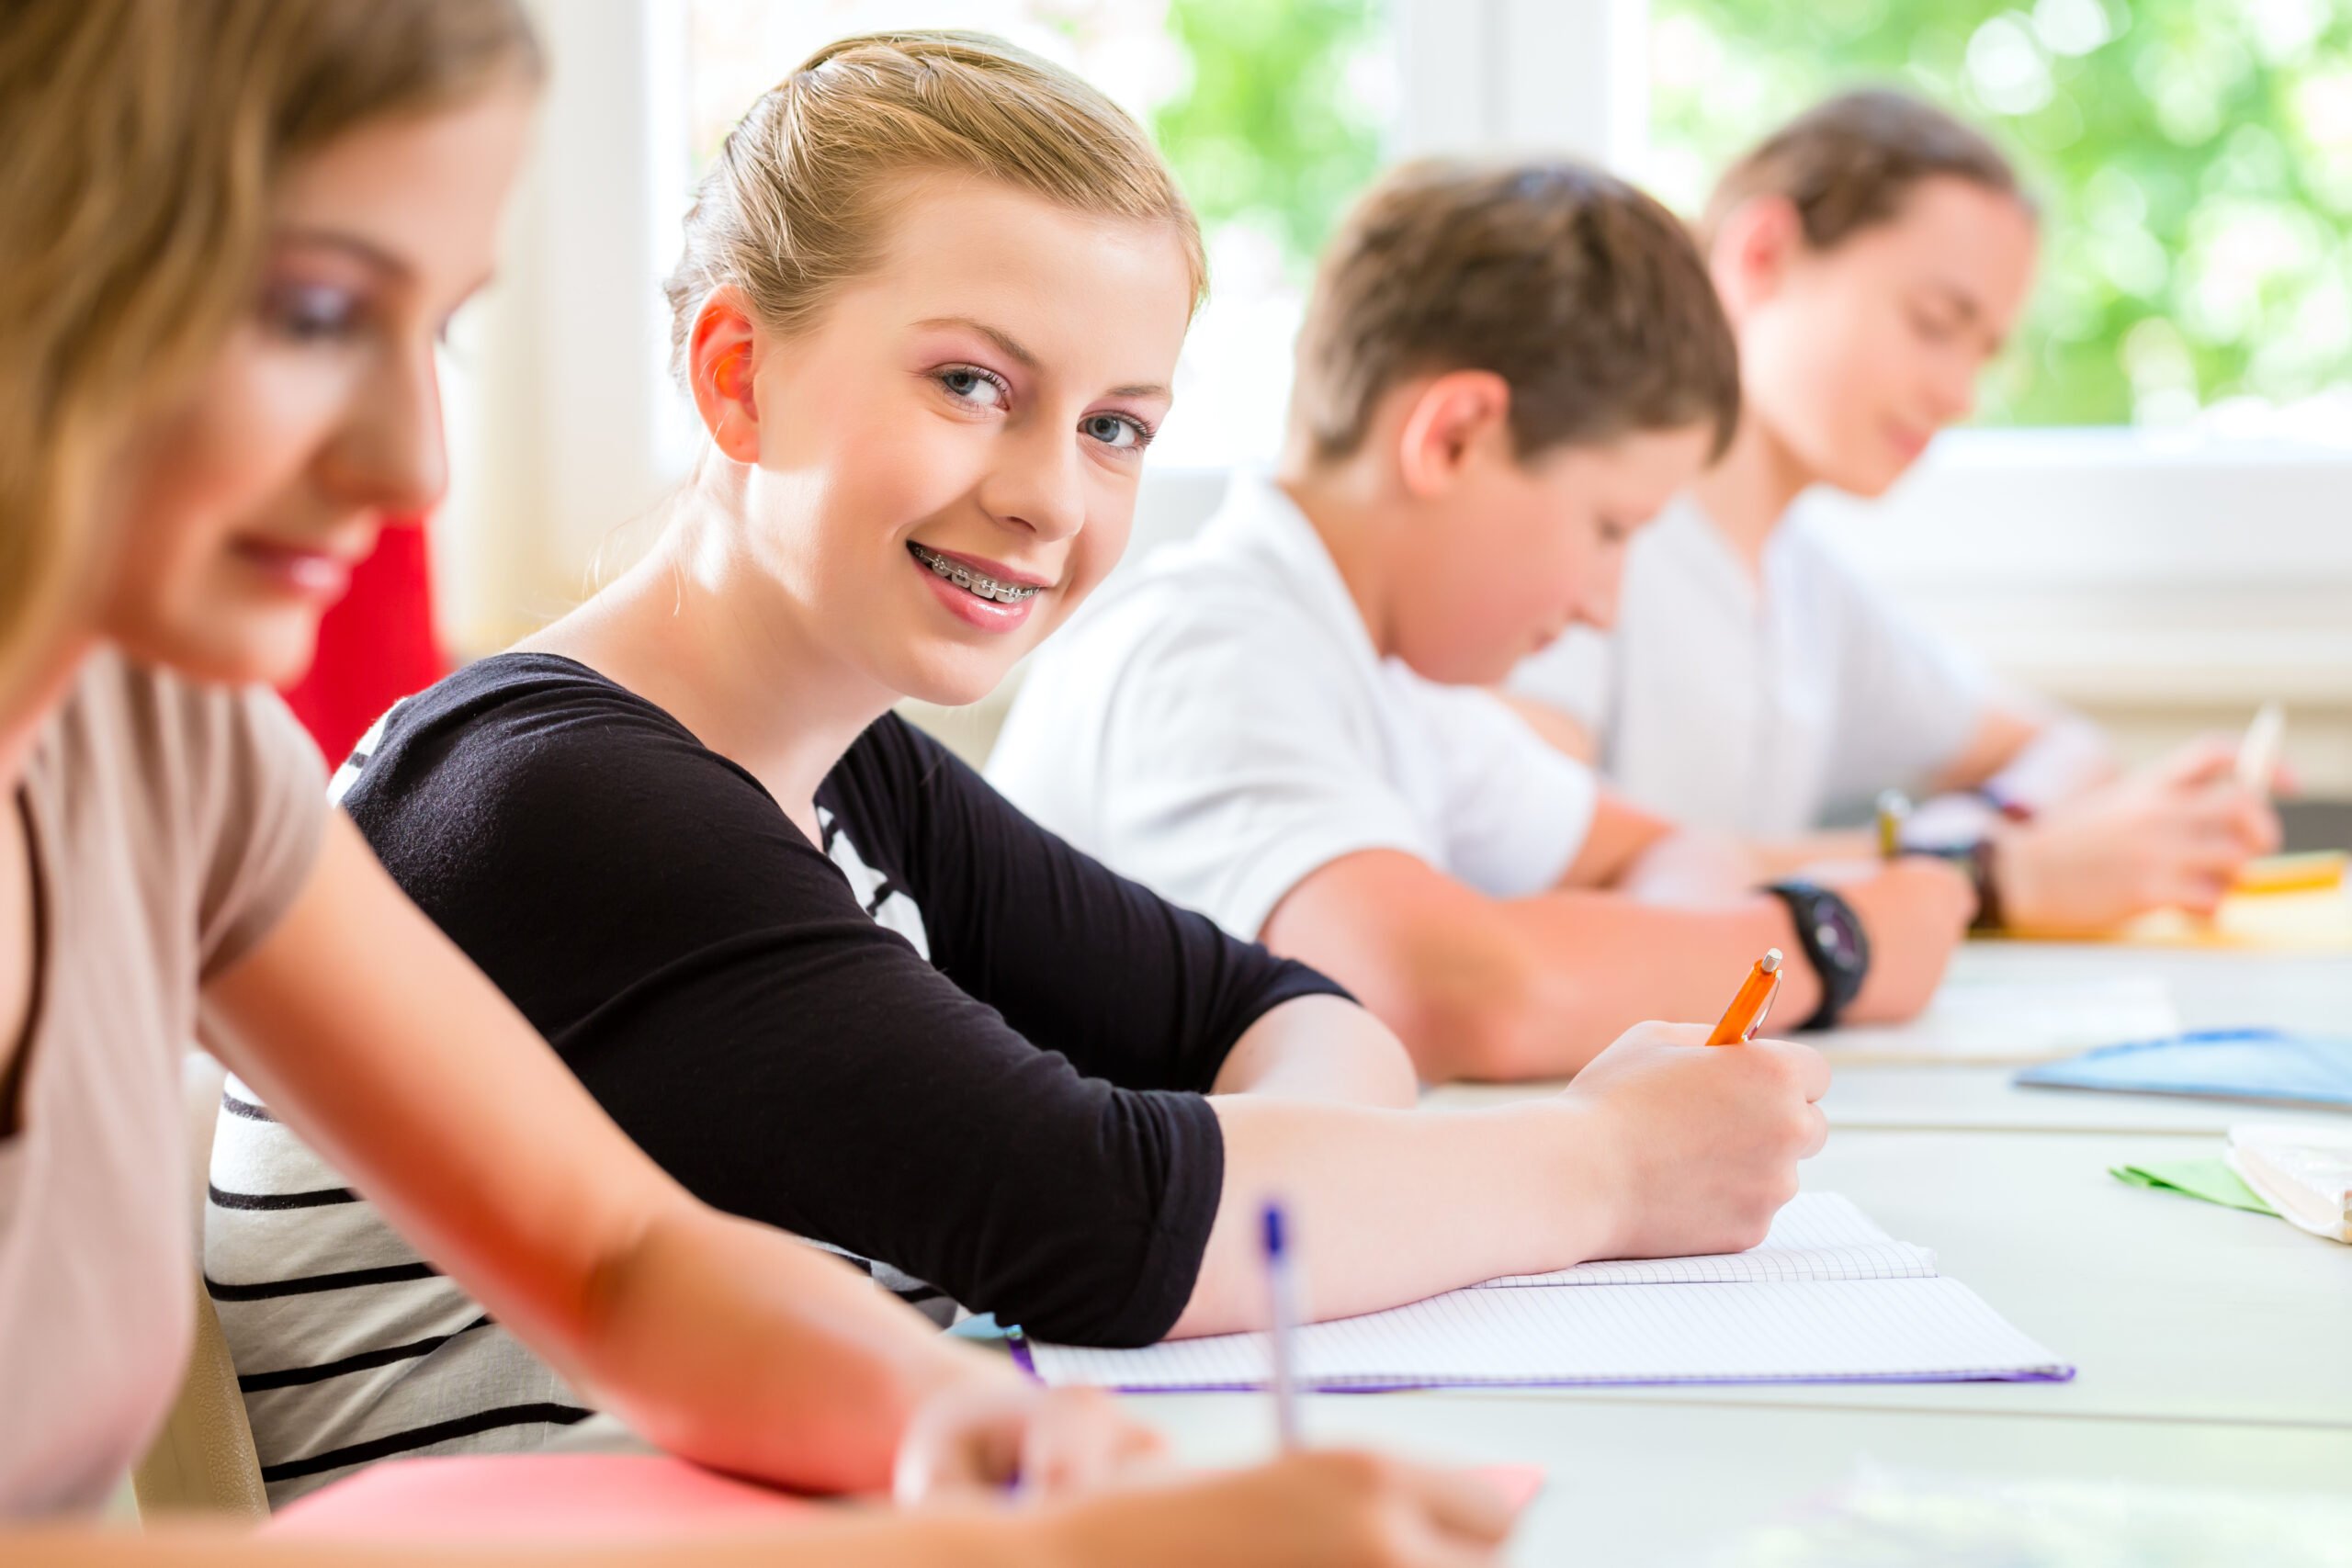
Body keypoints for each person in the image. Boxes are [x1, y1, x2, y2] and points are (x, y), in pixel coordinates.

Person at [209, 31, 1830, 1495]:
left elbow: (1270, 1017)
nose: (1051, 498)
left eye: (1116, 426)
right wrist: (1604, 1164)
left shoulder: (852, 770)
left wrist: (1284, 1183)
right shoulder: (555, 799)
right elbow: (1111, 1225)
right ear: (737, 375)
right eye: (973, 384)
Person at [0, 5, 1512, 1562]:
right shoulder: (543, 791)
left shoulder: (178, 748)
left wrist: (952, 1422)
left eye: (439, 327)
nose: (417, 467)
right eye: (315, 311)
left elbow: (620, 1257)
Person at [988, 160, 1973, 1083]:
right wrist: (1826, 945)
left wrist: (1667, 949)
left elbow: (1657, 852)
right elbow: (1443, 994)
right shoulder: (1207, 653)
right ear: (1453, 438)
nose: (1603, 603)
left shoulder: (1398, 685)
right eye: (1607, 528)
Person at [1504, 91, 2278, 931]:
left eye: (1984, 351)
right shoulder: (1590, 531)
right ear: (1762, 254)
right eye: (1934, 323)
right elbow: (1535, 853)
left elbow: (2067, 750)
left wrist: (1996, 830)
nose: (1959, 394)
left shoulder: (1806, 591)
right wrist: (1981, 872)